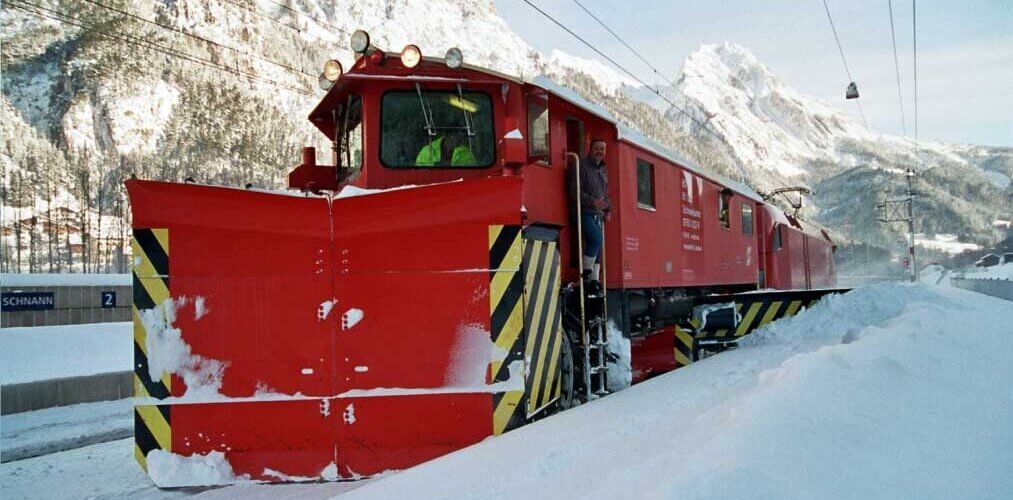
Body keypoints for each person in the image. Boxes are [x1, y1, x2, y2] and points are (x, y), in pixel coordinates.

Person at [568, 139, 610, 285]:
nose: (599, 151)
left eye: (602, 149)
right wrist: (593, 202)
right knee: (597, 239)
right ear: (590, 149)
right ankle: (585, 275)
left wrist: (608, 209)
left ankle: (594, 281)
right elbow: (575, 191)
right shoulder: (581, 166)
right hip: (583, 211)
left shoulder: (603, 169)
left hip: (597, 213)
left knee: (597, 245)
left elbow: (605, 192)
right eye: (597, 148)